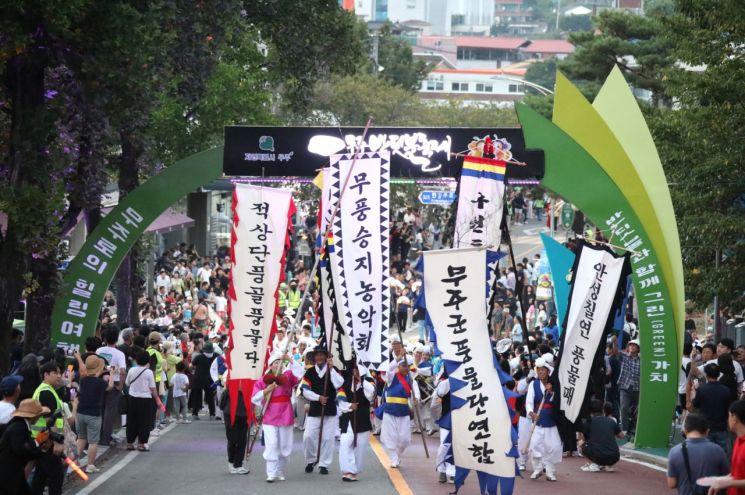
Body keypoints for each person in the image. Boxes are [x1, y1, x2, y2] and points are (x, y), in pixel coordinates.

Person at [252, 352, 302, 482]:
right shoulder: (264, 379)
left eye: (280, 362)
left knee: (284, 445)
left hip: (285, 413)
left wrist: (290, 359)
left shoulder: (288, 376)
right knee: (272, 443)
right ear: (270, 365)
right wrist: (266, 390)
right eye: (275, 363)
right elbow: (255, 397)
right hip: (270, 414)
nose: (278, 365)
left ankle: (280, 470)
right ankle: (271, 472)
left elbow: (300, 374)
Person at [0, 399, 63, 495]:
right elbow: (21, 451)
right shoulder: (18, 428)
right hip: (8, 474)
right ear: (34, 416)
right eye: (39, 415)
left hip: (13, 472)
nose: (40, 418)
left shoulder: (20, 424)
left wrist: (40, 445)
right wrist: (39, 442)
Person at [301, 345, 343, 474]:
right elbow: (305, 390)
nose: (319, 357)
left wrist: (331, 370)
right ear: (314, 358)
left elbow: (339, 384)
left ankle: (324, 464)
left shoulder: (333, 370)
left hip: (329, 408)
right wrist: (318, 397)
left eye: (321, 355)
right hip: (314, 408)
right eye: (317, 355)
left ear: (326, 357)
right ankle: (311, 459)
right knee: (308, 436)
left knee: (327, 438)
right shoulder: (310, 372)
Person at [667, 413, 728, 495]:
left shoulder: (675, 451)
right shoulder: (718, 450)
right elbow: (726, 478)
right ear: (707, 431)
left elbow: (672, 483)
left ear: (685, 430)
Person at [31, 361, 67, 495]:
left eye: (59, 373)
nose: (59, 376)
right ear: (46, 375)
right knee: (56, 475)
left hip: (40, 438)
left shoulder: (44, 389)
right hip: (47, 439)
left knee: (41, 474)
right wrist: (57, 442)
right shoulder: (46, 392)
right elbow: (49, 420)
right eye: (55, 373)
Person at [337, 362, 376, 482]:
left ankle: (355, 470)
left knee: (361, 446)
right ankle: (347, 470)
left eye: (359, 369)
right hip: (348, 417)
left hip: (362, 417)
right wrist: (349, 405)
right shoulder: (346, 382)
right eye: (355, 369)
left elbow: (371, 396)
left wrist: (362, 379)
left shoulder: (369, 382)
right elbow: (340, 398)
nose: (356, 371)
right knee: (345, 442)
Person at [381, 356, 421, 468]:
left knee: (404, 439)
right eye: (403, 366)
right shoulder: (391, 376)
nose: (406, 368)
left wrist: (416, 398)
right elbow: (388, 369)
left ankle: (397, 455)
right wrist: (397, 358)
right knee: (391, 436)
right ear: (398, 366)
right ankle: (393, 458)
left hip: (404, 411)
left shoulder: (411, 379)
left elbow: (416, 393)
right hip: (390, 410)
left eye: (408, 366)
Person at [76, 355, 114, 473]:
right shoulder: (101, 383)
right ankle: (90, 465)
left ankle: (74, 461)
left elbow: (88, 373)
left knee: (81, 438)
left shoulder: (83, 380)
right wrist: (111, 373)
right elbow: (110, 387)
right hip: (94, 414)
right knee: (93, 441)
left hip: (80, 412)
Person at [526, 357, 562, 482]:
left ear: (548, 371)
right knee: (535, 445)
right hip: (538, 419)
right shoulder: (533, 384)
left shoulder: (555, 384)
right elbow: (529, 401)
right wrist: (531, 413)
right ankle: (538, 469)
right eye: (539, 370)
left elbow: (559, 401)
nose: (541, 372)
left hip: (552, 419)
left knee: (554, 446)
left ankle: (550, 471)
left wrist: (552, 392)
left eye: (543, 370)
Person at [125, 350, 165, 451]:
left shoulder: (131, 370)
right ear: (148, 361)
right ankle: (142, 444)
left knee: (131, 420)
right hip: (145, 399)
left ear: (137, 360)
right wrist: (157, 400)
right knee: (144, 422)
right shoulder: (149, 372)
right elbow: (153, 388)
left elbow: (127, 383)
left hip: (132, 398)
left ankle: (130, 443)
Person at [691, 363, 733, 455]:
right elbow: (728, 407)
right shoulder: (725, 390)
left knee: (706, 453)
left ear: (706, 374)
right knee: (722, 453)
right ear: (718, 374)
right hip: (721, 426)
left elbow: (696, 404)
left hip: (705, 427)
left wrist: (694, 395)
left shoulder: (702, 389)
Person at [96, 327, 126, 446]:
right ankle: (105, 439)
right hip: (114, 383)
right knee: (110, 411)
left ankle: (96, 437)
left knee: (100, 410)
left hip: (100, 383)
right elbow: (123, 371)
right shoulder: (119, 354)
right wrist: (121, 386)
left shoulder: (99, 351)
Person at [707, 399, 745, 495]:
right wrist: (720, 481)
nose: (728, 420)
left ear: (734, 418)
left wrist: (728, 483)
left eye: (729, 416)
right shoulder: (737, 441)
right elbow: (736, 473)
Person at [579, 400, 624, 472]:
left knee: (581, 443)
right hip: (614, 457)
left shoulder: (589, 422)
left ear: (590, 412)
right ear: (603, 410)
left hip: (598, 456)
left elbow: (584, 439)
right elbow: (621, 436)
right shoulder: (611, 421)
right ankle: (608, 465)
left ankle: (593, 464)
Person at [219, 376, 250, 475]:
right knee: (233, 439)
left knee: (242, 440)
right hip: (230, 414)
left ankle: (239, 464)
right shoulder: (230, 383)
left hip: (244, 414)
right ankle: (231, 463)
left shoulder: (248, 383)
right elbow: (222, 403)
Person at [612, 335, 641, 435]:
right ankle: (624, 428)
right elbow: (615, 352)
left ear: (638, 348)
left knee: (636, 409)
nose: (632, 347)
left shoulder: (642, 360)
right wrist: (615, 343)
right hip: (625, 387)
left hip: (638, 388)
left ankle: (634, 428)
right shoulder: (624, 356)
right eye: (630, 345)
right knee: (624, 407)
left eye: (634, 345)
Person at [434, 368, 455, 483]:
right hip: (447, 418)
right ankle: (442, 470)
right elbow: (435, 402)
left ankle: (453, 472)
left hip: (461, 420)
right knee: (444, 445)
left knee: (457, 447)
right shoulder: (445, 384)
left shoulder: (468, 383)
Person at [191, 341, 217, 420]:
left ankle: (195, 413)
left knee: (197, 397)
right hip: (210, 379)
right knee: (210, 398)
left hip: (198, 379)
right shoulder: (216, 356)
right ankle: (212, 414)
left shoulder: (199, 357)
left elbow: (192, 365)